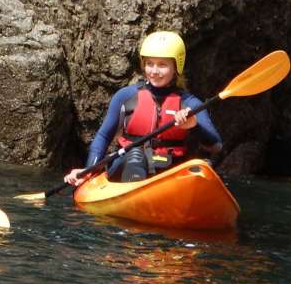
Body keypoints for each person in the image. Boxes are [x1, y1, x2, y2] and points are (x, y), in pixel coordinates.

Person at [64, 31, 223, 186]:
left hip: (169, 169)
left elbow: (215, 146)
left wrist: (194, 126)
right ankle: (132, 201)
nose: (154, 71)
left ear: (176, 67)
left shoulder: (190, 103)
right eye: (149, 64)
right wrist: (88, 170)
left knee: (203, 165)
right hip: (127, 166)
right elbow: (104, 137)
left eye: (162, 65)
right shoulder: (126, 96)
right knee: (136, 156)